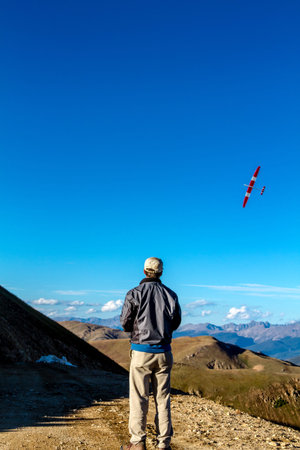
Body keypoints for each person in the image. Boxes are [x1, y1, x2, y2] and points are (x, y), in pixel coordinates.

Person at [120, 257, 181, 450]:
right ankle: (164, 444)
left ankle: (138, 442)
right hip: (164, 352)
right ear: (161, 272)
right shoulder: (171, 294)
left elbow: (125, 322)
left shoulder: (134, 293)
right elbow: (176, 322)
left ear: (144, 271)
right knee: (163, 399)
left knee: (139, 397)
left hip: (141, 352)